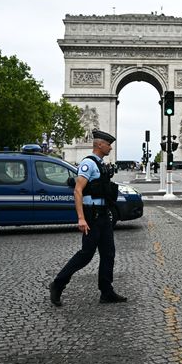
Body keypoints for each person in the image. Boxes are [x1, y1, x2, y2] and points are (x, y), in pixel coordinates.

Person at [50, 130, 127, 306]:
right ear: (99, 144)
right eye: (108, 144)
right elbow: (78, 191)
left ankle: (106, 291)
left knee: (108, 253)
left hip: (103, 215)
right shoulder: (88, 164)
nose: (110, 148)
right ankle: (58, 284)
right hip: (92, 216)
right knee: (86, 255)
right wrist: (81, 218)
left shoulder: (101, 164)